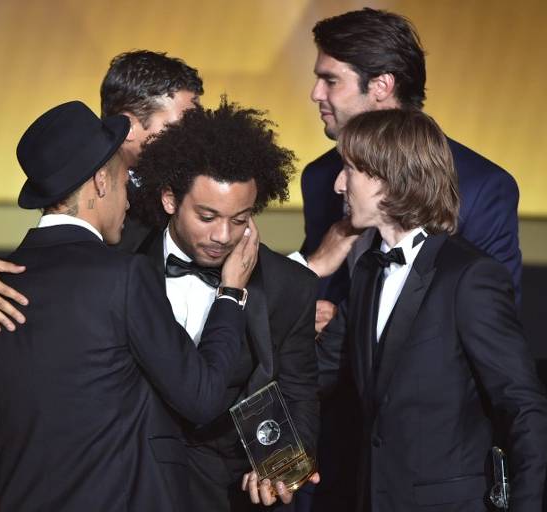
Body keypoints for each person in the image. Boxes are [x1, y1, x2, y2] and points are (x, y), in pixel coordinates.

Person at [0, 101, 259, 511]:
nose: (128, 202)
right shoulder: (124, 277)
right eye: (124, 183)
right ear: (99, 181)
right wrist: (231, 295)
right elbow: (202, 398)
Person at [319, 108, 547, 511]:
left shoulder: (470, 277)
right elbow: (315, 370)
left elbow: (522, 407)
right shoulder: (369, 271)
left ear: (387, 180)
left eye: (349, 169)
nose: (339, 184)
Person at [129, 98, 320, 510]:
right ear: (169, 199)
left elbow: (299, 392)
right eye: (207, 216)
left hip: (231, 490)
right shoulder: (121, 265)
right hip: (134, 480)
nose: (222, 236)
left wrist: (282, 467)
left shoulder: (290, 286)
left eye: (239, 220)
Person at [0, 50, 203, 331]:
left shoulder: (208, 186)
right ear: (129, 126)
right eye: (182, 124)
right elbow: (41, 269)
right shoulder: (87, 206)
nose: (194, 136)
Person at [300, 8, 521, 314]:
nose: (316, 94)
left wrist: (356, 330)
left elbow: (492, 317)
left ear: (381, 86)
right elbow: (320, 288)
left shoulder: (480, 187)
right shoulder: (320, 176)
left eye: (331, 80)